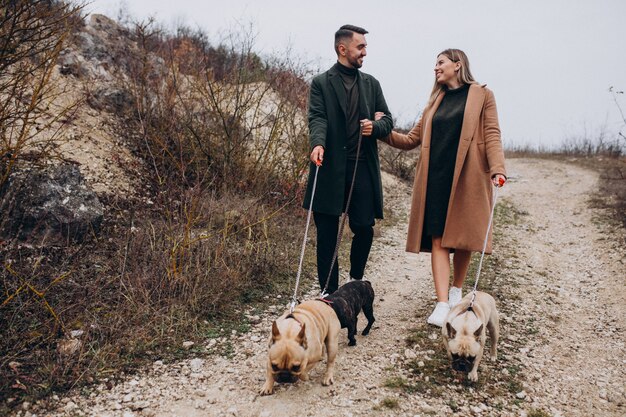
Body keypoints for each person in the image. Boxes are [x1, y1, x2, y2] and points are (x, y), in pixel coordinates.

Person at [379, 48, 506, 326]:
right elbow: (411, 139)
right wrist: (381, 130)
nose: (435, 68)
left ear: (457, 65)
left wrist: (497, 168)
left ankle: (457, 290)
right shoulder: (434, 103)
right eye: (435, 64)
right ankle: (441, 303)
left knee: (462, 239)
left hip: (468, 176)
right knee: (437, 237)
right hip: (435, 177)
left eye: (441, 63)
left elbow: (492, 133)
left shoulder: (482, 95)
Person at [303, 24, 393, 295]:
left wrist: (374, 127)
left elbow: (387, 119)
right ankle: (328, 294)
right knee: (328, 234)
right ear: (343, 49)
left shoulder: (371, 84)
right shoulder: (321, 82)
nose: (365, 51)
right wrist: (317, 143)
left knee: (364, 227)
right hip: (329, 166)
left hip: (362, 167)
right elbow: (317, 117)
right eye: (361, 46)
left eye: (365, 46)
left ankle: (355, 279)